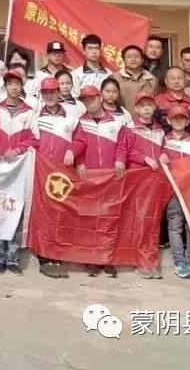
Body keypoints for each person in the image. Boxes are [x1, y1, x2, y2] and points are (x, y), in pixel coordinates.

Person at [70, 83, 130, 277]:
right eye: (85, 100)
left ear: (100, 98)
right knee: (89, 218)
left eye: (92, 98)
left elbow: (122, 145)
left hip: (111, 177)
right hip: (89, 177)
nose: (89, 102)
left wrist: (120, 160)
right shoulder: (80, 122)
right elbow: (78, 144)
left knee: (109, 219)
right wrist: (79, 163)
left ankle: (107, 258)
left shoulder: (116, 122)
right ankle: (91, 258)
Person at [30, 80, 84, 278]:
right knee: (43, 214)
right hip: (42, 172)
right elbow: (30, 140)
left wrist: (72, 150)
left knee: (61, 213)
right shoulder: (35, 116)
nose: (50, 96)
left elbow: (81, 140)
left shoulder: (71, 115)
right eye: (46, 92)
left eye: (53, 92)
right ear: (41, 94)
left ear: (59, 92)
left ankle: (58, 255)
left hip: (62, 174)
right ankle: (44, 257)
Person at [0, 69, 36, 275]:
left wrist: (17, 149)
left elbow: (35, 138)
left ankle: (13, 258)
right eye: (10, 84)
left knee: (16, 212)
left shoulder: (29, 112)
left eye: (18, 84)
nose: (14, 87)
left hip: (19, 170)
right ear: (5, 86)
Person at [160, 105, 190, 279]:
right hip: (172, 190)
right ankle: (179, 262)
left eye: (182, 118)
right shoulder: (163, 140)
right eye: (175, 118)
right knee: (175, 225)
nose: (178, 121)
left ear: (187, 121)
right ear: (168, 120)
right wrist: (160, 157)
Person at [126, 92, 169, 280]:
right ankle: (139, 262)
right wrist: (144, 158)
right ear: (136, 108)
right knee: (140, 220)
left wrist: (163, 154)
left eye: (149, 105)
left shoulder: (160, 131)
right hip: (139, 179)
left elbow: (163, 150)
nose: (146, 109)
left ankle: (151, 262)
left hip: (156, 180)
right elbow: (125, 150)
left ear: (154, 107)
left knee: (153, 221)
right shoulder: (130, 128)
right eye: (142, 105)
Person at [154, 67, 190, 134]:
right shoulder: (157, 101)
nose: (176, 82)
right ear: (166, 81)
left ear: (186, 80)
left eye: (180, 78)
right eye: (173, 78)